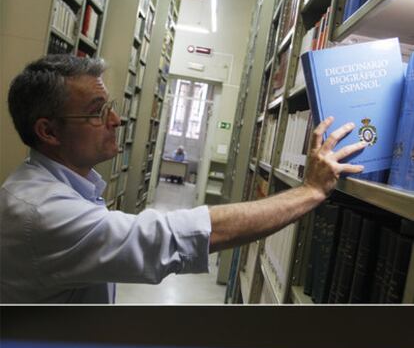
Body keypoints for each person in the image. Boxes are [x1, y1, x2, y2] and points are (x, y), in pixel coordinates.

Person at [0, 55, 367, 304]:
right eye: (97, 113)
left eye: (111, 107)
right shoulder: (39, 213)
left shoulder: (58, 187)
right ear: (48, 131)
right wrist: (311, 190)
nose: (116, 121)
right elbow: (170, 238)